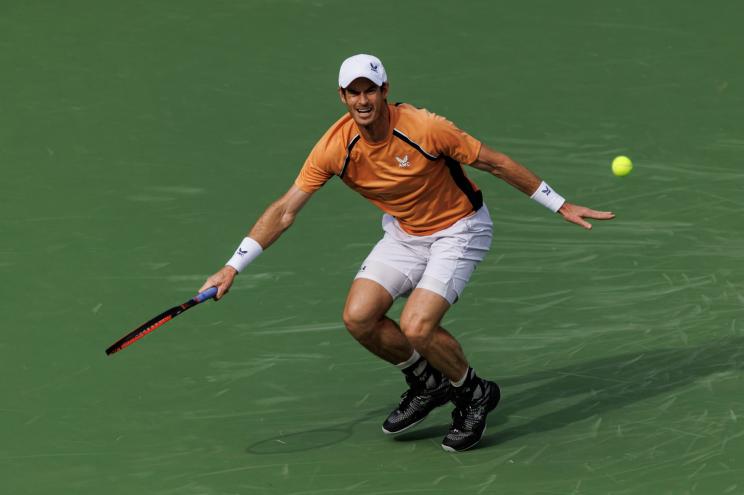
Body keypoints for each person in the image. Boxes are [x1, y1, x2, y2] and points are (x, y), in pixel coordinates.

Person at [199, 54, 614, 452]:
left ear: (385, 91)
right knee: (358, 317)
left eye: (370, 90)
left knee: (417, 325)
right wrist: (232, 267)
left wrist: (559, 203)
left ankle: (473, 394)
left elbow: (495, 163)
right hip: (405, 232)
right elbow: (286, 210)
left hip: (459, 229)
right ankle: (426, 381)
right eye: (353, 92)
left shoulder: (425, 128)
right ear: (342, 97)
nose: (363, 100)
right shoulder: (334, 147)